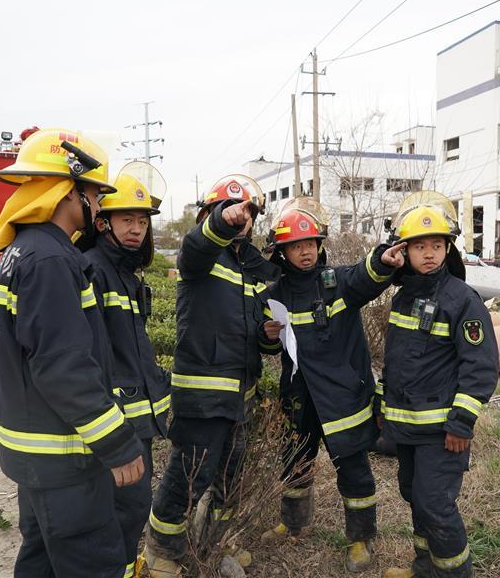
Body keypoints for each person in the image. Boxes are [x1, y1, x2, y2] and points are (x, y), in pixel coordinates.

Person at [0, 128, 145, 578]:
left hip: (37, 458)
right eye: (94, 194)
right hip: (64, 463)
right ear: (68, 191)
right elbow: (64, 367)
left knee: (40, 562)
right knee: (93, 564)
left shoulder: (23, 252)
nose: (97, 205)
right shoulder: (51, 260)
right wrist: (117, 444)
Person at [258, 201, 406, 572]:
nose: (305, 251)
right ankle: (292, 524)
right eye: (296, 246)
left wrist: (382, 260)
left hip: (343, 398)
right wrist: (266, 335)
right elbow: (266, 345)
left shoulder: (338, 282)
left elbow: (365, 276)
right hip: (299, 398)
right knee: (294, 463)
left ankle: (359, 540)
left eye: (310, 243)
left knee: (353, 469)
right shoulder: (274, 296)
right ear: (282, 253)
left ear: (319, 246)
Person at [144, 175, 279, 577]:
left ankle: (215, 544)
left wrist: (268, 336)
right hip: (202, 397)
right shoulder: (200, 256)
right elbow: (196, 246)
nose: (240, 217)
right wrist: (222, 222)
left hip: (241, 397)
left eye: (247, 212)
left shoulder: (250, 269)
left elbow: (253, 332)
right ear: (207, 214)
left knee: (228, 478)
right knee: (187, 476)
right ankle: (162, 552)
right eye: (227, 210)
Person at [376, 195, 499, 578]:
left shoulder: (461, 300)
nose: (428, 254)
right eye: (419, 246)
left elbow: (480, 366)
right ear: (405, 251)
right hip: (406, 428)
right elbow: (397, 363)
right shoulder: (403, 298)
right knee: (415, 496)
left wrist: (461, 423)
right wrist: (383, 410)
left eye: (436, 245)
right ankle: (424, 568)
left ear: (448, 249)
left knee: (435, 504)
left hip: (443, 433)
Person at [82, 164, 171, 578]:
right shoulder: (93, 270)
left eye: (142, 221)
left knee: (133, 508)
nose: (137, 229)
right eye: (127, 220)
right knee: (124, 509)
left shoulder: (125, 273)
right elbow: (92, 356)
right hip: (115, 424)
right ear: (103, 223)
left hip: (137, 421)